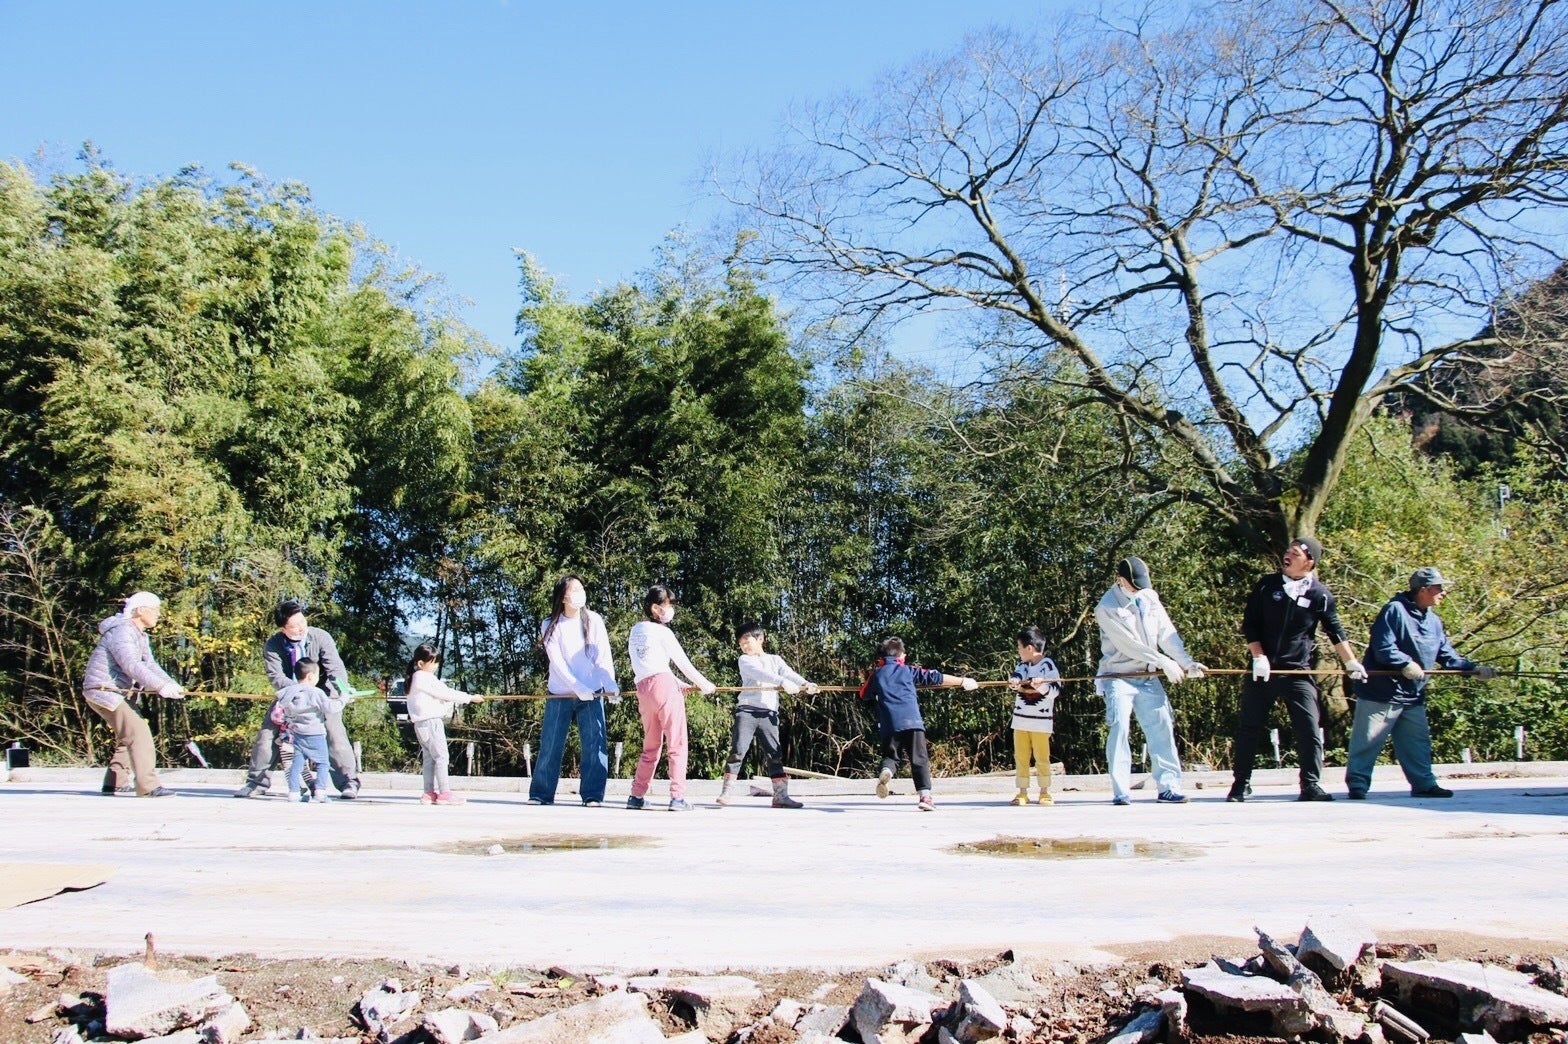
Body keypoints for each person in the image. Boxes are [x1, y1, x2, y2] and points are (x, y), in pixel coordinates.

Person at [1228, 537, 1367, 803]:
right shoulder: (1267, 585)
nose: (1287, 556)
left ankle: (1310, 784)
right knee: (1250, 727)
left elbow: (1335, 631)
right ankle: (1240, 783)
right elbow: (1250, 623)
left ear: (1309, 562)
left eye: (1294, 553)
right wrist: (1258, 656)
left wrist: (1351, 663)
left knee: (1309, 727)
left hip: (1297, 671)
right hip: (1263, 669)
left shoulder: (1320, 595)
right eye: (1287, 551)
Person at [1345, 567, 1496, 800]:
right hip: (1381, 693)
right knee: (1367, 742)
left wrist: (1473, 669)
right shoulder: (1394, 610)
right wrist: (1405, 663)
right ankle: (1357, 785)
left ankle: (1424, 784)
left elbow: (1446, 655)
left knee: (1417, 743)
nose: (1444, 592)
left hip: (1413, 694)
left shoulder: (1434, 621)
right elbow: (1383, 647)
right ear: (1423, 590)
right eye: (1439, 588)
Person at [1094, 556, 1205, 806]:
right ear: (1120, 580)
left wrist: (1186, 663)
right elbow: (1129, 645)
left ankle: (1169, 787)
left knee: (1162, 727)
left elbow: (1167, 633)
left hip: (1149, 675)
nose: (1138, 590)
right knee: (1119, 728)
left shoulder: (1149, 597)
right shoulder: (1106, 607)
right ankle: (1121, 791)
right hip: (1119, 676)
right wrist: (1164, 662)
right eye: (1133, 585)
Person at [235, 600, 361, 799]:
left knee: (335, 733)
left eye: (303, 621)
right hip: (290, 696)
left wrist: (342, 690)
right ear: (283, 629)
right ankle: (256, 782)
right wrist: (300, 691)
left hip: (321, 695)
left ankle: (348, 782)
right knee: (267, 735)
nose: (301, 628)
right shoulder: (273, 645)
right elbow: (276, 677)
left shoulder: (320, 637)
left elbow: (335, 668)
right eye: (294, 626)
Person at [80, 591, 183, 797]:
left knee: (128, 734)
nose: (158, 614)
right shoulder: (123, 631)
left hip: (115, 692)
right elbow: (131, 664)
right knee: (139, 734)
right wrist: (160, 686)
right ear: (141, 610)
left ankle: (115, 781)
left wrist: (170, 684)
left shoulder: (139, 634)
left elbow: (149, 664)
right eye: (155, 610)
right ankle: (148, 786)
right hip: (105, 690)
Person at [859, 636, 978, 812]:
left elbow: (863, 694)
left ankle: (887, 771)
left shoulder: (877, 673)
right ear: (900, 656)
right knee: (919, 759)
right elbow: (936, 677)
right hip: (912, 721)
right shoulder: (908, 670)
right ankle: (925, 797)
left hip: (889, 723)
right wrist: (963, 681)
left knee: (891, 756)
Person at [626, 585, 715, 811]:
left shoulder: (636, 630)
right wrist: (705, 684)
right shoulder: (663, 632)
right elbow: (683, 663)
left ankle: (636, 796)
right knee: (677, 742)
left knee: (651, 746)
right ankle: (677, 797)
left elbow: (649, 666)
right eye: (668, 605)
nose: (670, 609)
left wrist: (679, 684)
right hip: (664, 688)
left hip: (643, 690)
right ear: (656, 608)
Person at [531, 575, 617, 807]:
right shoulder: (550, 624)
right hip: (560, 692)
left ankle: (592, 795)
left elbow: (603, 656)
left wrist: (611, 685)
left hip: (593, 692)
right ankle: (541, 793)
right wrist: (578, 687)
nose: (580, 593)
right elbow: (557, 663)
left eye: (581, 588)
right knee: (551, 743)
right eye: (574, 589)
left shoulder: (594, 619)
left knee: (595, 744)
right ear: (562, 597)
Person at [720, 621, 818, 809]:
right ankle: (726, 792)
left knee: (774, 753)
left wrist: (806, 684)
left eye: (748, 642)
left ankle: (781, 796)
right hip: (747, 710)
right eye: (741, 644)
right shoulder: (744, 660)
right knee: (738, 750)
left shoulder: (775, 660)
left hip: (769, 713)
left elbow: (789, 673)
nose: (745, 646)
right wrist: (782, 682)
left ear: (760, 639)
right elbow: (760, 674)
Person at [404, 642, 483, 806]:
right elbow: (446, 693)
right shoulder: (424, 677)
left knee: (429, 759)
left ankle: (428, 793)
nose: (436, 666)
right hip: (431, 722)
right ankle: (445, 793)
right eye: (433, 663)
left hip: (420, 724)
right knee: (441, 757)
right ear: (421, 663)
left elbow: (440, 696)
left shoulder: (414, 679)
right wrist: (470, 698)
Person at [1007, 625, 1061, 806]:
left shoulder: (1048, 666)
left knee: (1042, 757)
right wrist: (1014, 682)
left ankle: (1044, 791)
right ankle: (1022, 791)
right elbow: (1017, 676)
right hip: (1020, 720)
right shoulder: (1022, 666)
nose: (1018, 651)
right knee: (1021, 757)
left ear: (1029, 648)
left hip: (1040, 722)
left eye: (1019, 647)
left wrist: (1041, 685)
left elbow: (1054, 691)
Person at [273, 658, 332, 803]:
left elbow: (278, 713)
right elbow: (330, 708)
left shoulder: (288, 693)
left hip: (297, 733)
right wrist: (344, 699)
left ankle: (293, 792)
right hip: (316, 733)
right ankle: (320, 792)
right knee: (323, 763)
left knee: (297, 763)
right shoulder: (315, 692)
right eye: (318, 675)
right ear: (311, 676)